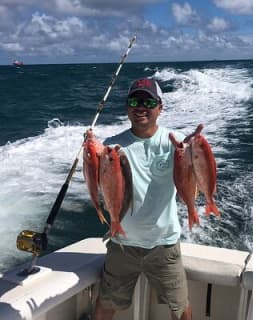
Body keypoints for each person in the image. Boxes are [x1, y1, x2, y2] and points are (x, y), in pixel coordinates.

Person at [94, 78, 192, 320]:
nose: (140, 107)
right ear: (127, 107)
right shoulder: (112, 148)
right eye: (134, 101)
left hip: (164, 245)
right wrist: (90, 154)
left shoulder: (175, 142)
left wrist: (193, 153)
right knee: (106, 304)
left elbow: (194, 177)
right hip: (122, 247)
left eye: (148, 101)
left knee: (180, 308)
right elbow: (100, 189)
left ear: (160, 107)